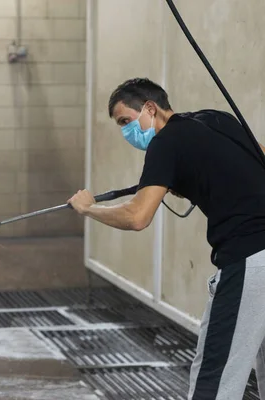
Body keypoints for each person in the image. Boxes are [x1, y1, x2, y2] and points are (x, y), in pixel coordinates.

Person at [67, 77, 265, 399]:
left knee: (213, 382)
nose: (126, 132)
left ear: (149, 107)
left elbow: (137, 216)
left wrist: (89, 209)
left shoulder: (166, 142)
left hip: (251, 258)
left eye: (126, 121)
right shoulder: (216, 119)